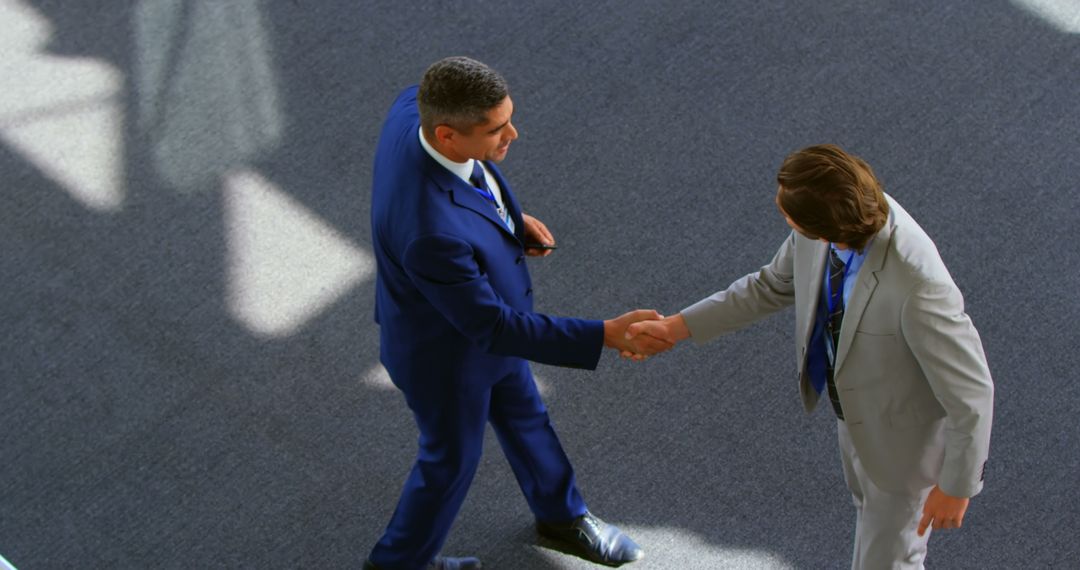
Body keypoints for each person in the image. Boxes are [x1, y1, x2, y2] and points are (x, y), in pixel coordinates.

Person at [628, 144, 994, 569]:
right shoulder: (833, 220)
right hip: (858, 418)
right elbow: (770, 286)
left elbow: (972, 391)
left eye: (789, 216)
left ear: (822, 228)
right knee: (872, 528)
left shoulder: (919, 286)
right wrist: (676, 327)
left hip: (904, 447)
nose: (784, 218)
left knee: (891, 560)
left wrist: (957, 485)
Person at [365, 56, 666, 570]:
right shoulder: (431, 233)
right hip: (448, 362)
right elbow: (494, 326)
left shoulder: (408, 109)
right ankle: (397, 565)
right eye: (496, 130)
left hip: (483, 337)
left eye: (509, 118)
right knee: (449, 465)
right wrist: (606, 335)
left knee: (529, 418)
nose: (514, 135)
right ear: (446, 135)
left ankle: (562, 516)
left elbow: (466, 198)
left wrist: (505, 223)